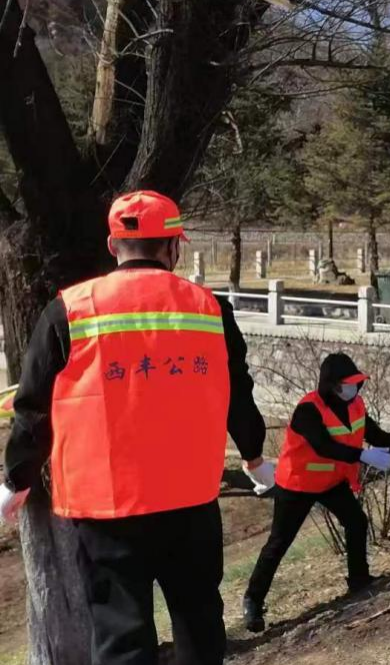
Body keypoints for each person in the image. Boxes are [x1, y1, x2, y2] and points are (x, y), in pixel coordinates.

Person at [0, 190, 275, 665]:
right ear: (174, 246)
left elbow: (34, 406)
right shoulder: (209, 309)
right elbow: (238, 391)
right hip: (190, 499)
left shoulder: (70, 310)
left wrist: (16, 478)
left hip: (107, 505)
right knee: (199, 626)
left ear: (112, 245)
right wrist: (253, 457)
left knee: (121, 634)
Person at [242, 352, 390, 633]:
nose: (353, 389)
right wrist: (363, 456)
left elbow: (374, 433)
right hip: (297, 484)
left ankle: (358, 581)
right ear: (330, 385)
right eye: (346, 384)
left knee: (357, 522)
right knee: (278, 544)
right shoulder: (307, 410)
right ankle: (252, 601)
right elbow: (323, 446)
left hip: (330, 481)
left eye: (356, 383)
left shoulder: (356, 404)